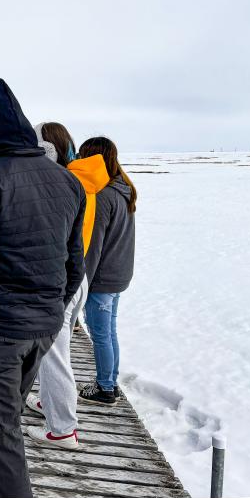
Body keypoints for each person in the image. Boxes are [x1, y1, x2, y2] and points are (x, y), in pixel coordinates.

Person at [0, 79, 86, 498]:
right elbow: (74, 266)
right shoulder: (66, 181)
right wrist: (49, 312)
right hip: (40, 332)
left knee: (2, 447)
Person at [23, 122, 110, 449]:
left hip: (59, 279)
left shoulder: (60, 181)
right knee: (56, 352)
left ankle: (62, 431)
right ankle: (52, 404)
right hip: (78, 274)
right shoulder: (81, 177)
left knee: (52, 356)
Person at [75, 137, 136, 405]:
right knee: (109, 332)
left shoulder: (103, 195)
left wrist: (81, 283)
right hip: (119, 274)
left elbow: (93, 247)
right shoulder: (123, 189)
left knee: (100, 334)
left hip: (103, 278)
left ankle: (105, 389)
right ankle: (110, 380)